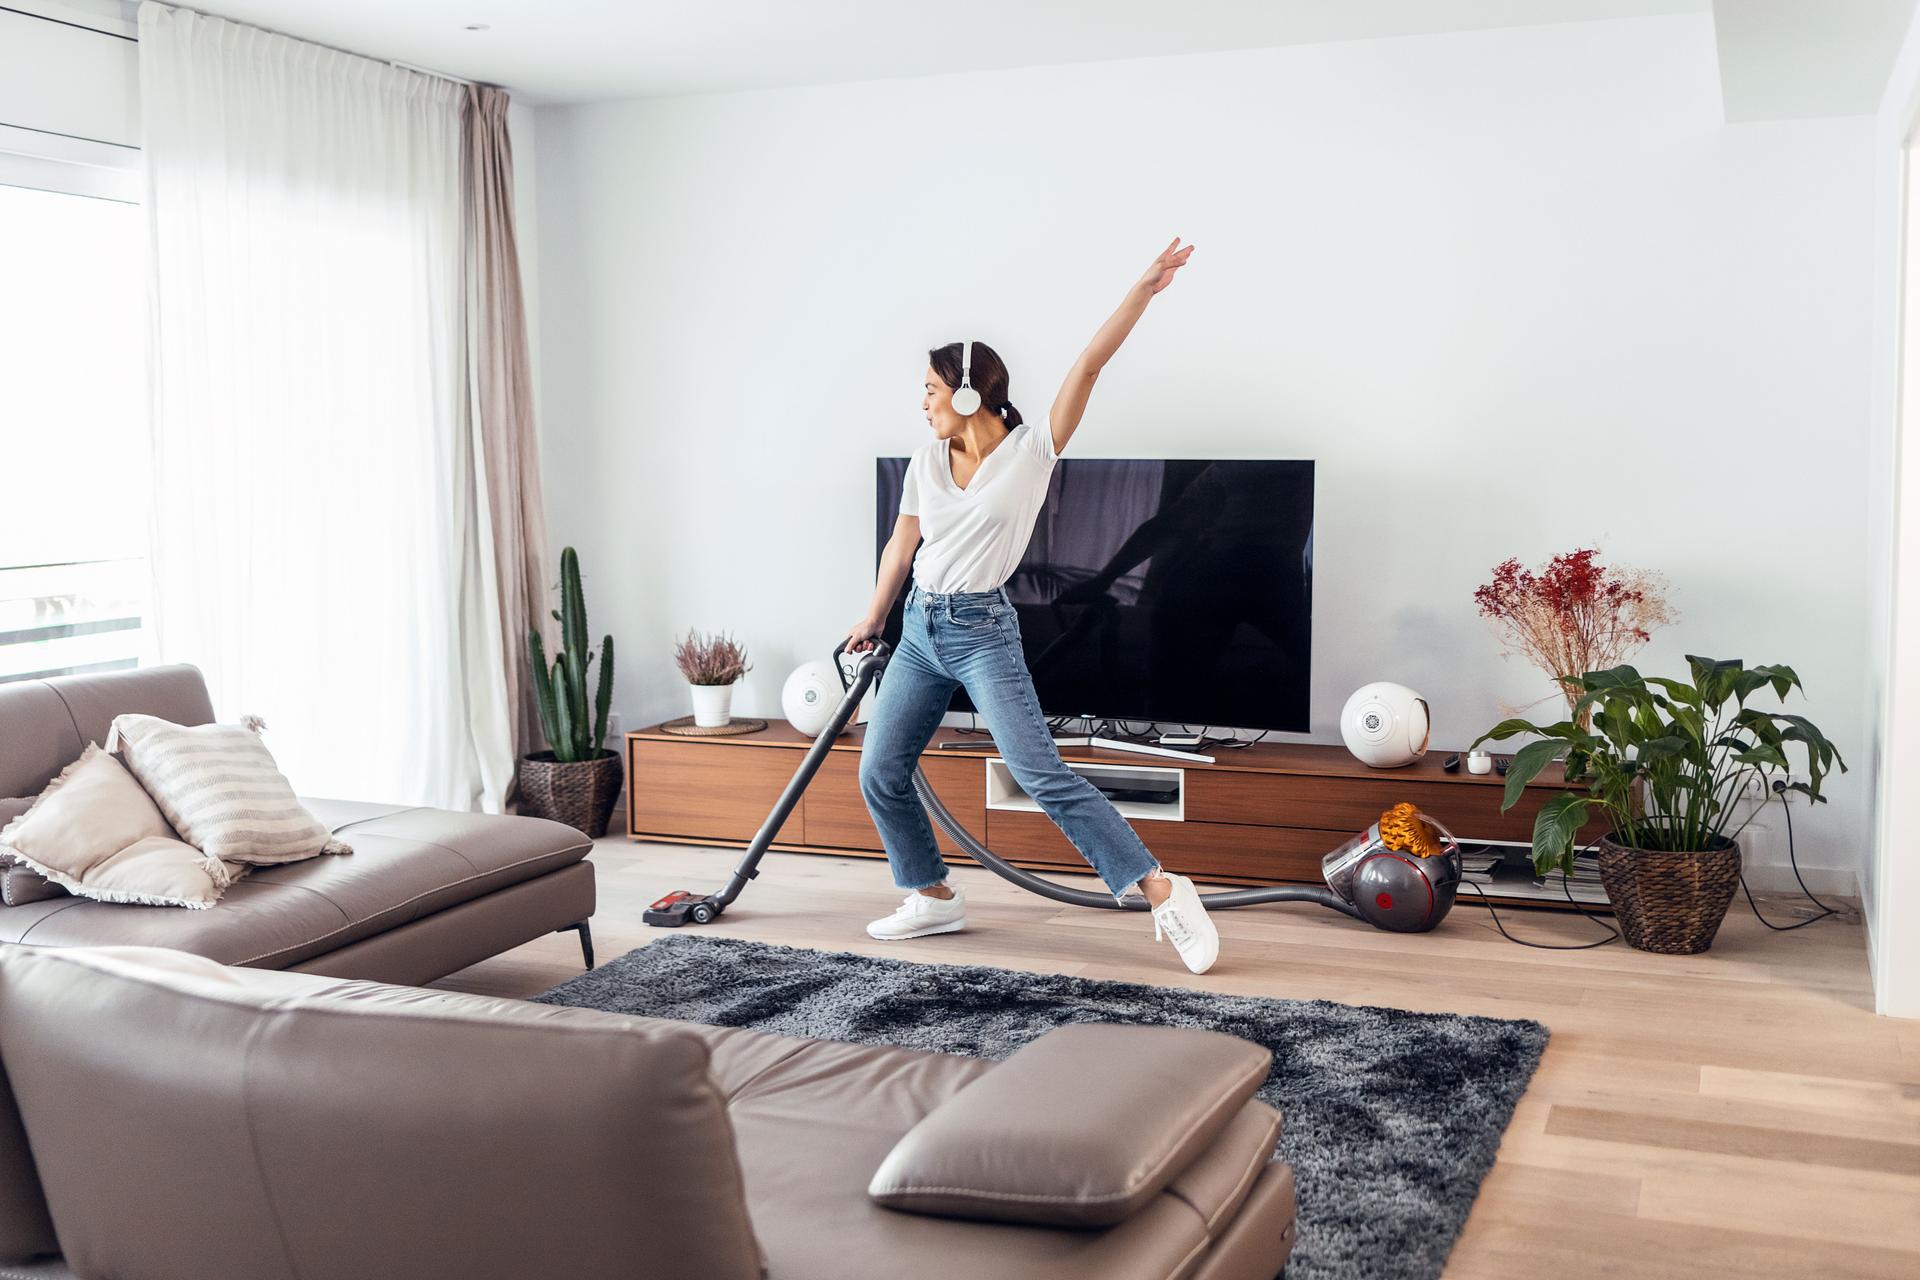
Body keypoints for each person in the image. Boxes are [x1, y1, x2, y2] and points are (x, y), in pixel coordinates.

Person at [843, 237, 1221, 974]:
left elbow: (1088, 365)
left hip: (983, 630)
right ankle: (932, 896)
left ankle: (1165, 889)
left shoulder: (1032, 451)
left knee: (1039, 772)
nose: (920, 404)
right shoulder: (926, 460)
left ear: (961, 393)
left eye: (928, 389)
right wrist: (872, 615)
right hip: (921, 625)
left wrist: (1142, 289)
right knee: (880, 769)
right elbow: (901, 546)